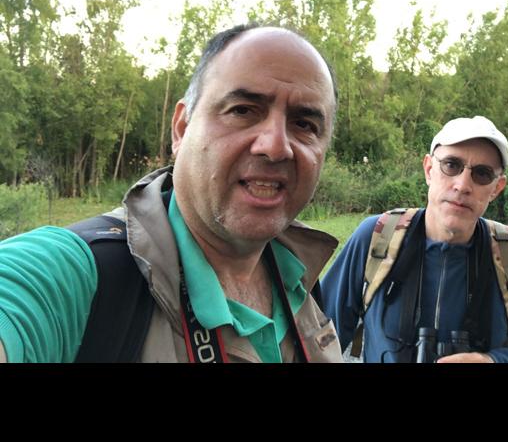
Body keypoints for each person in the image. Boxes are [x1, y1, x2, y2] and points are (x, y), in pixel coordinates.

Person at [0, 23, 343, 363]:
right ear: (181, 128)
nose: (276, 147)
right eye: (242, 110)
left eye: (304, 125)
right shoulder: (76, 275)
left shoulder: (301, 276)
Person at [321, 116, 508, 363]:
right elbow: (317, 338)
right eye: (451, 165)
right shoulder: (378, 237)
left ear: (496, 188)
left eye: (482, 174)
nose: (462, 185)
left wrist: (491, 361)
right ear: (429, 170)